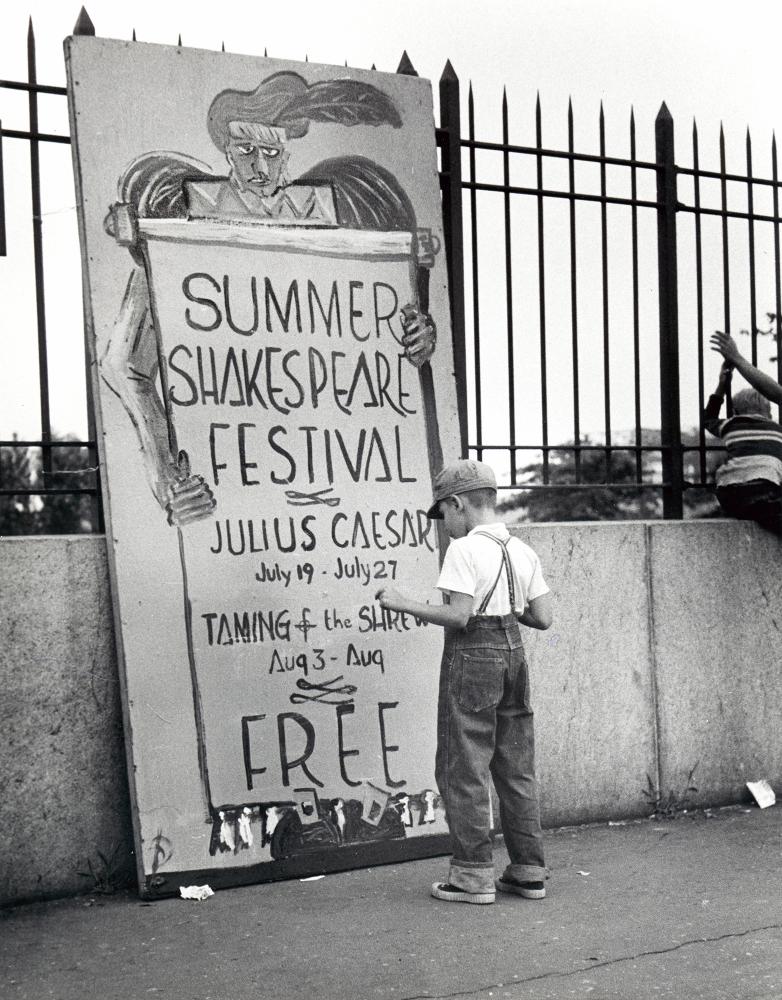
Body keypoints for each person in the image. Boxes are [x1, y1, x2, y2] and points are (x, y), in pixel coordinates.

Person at [375, 459, 553, 905]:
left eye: (445, 515)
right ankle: (529, 871)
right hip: (514, 653)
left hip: (472, 655)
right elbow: (544, 617)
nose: (445, 527)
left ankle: (473, 876)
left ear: (457, 504)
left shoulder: (465, 550)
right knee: (515, 767)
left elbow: (458, 614)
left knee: (464, 766)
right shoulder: (521, 550)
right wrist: (508, 612)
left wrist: (402, 603)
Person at [704, 338, 782, 532]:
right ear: (770, 413)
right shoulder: (777, 430)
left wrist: (722, 385)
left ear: (736, 412)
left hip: (728, 493)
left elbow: (708, 419)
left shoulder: (730, 425)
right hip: (765, 491)